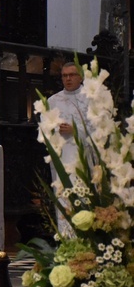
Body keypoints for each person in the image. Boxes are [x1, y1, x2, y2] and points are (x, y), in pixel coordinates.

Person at [44, 61, 91, 235]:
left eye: (72, 75)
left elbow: (99, 131)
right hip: (62, 158)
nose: (68, 79)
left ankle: (86, 242)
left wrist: (76, 131)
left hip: (84, 159)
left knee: (83, 199)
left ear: (80, 77)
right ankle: (67, 243)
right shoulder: (52, 101)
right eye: (65, 75)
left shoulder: (90, 99)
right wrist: (54, 129)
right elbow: (44, 130)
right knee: (64, 200)